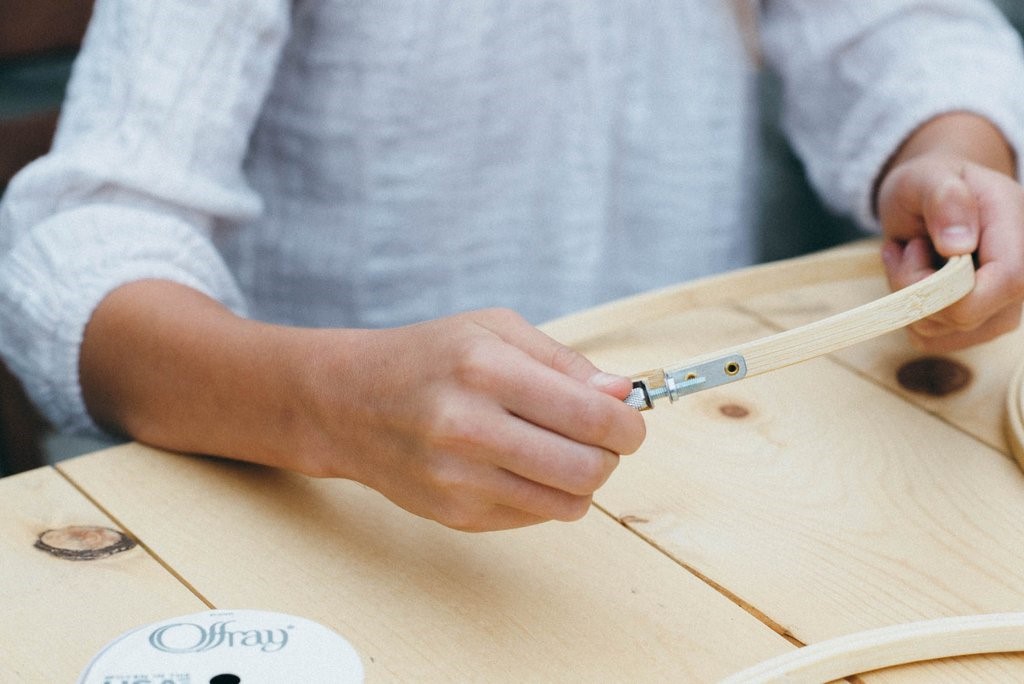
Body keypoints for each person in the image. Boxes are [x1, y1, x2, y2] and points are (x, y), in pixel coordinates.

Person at [1, 1, 1023, 531]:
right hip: (323, 515)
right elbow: (85, 247)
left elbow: (903, 29)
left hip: (701, 488)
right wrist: (326, 403)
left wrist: (949, 159)